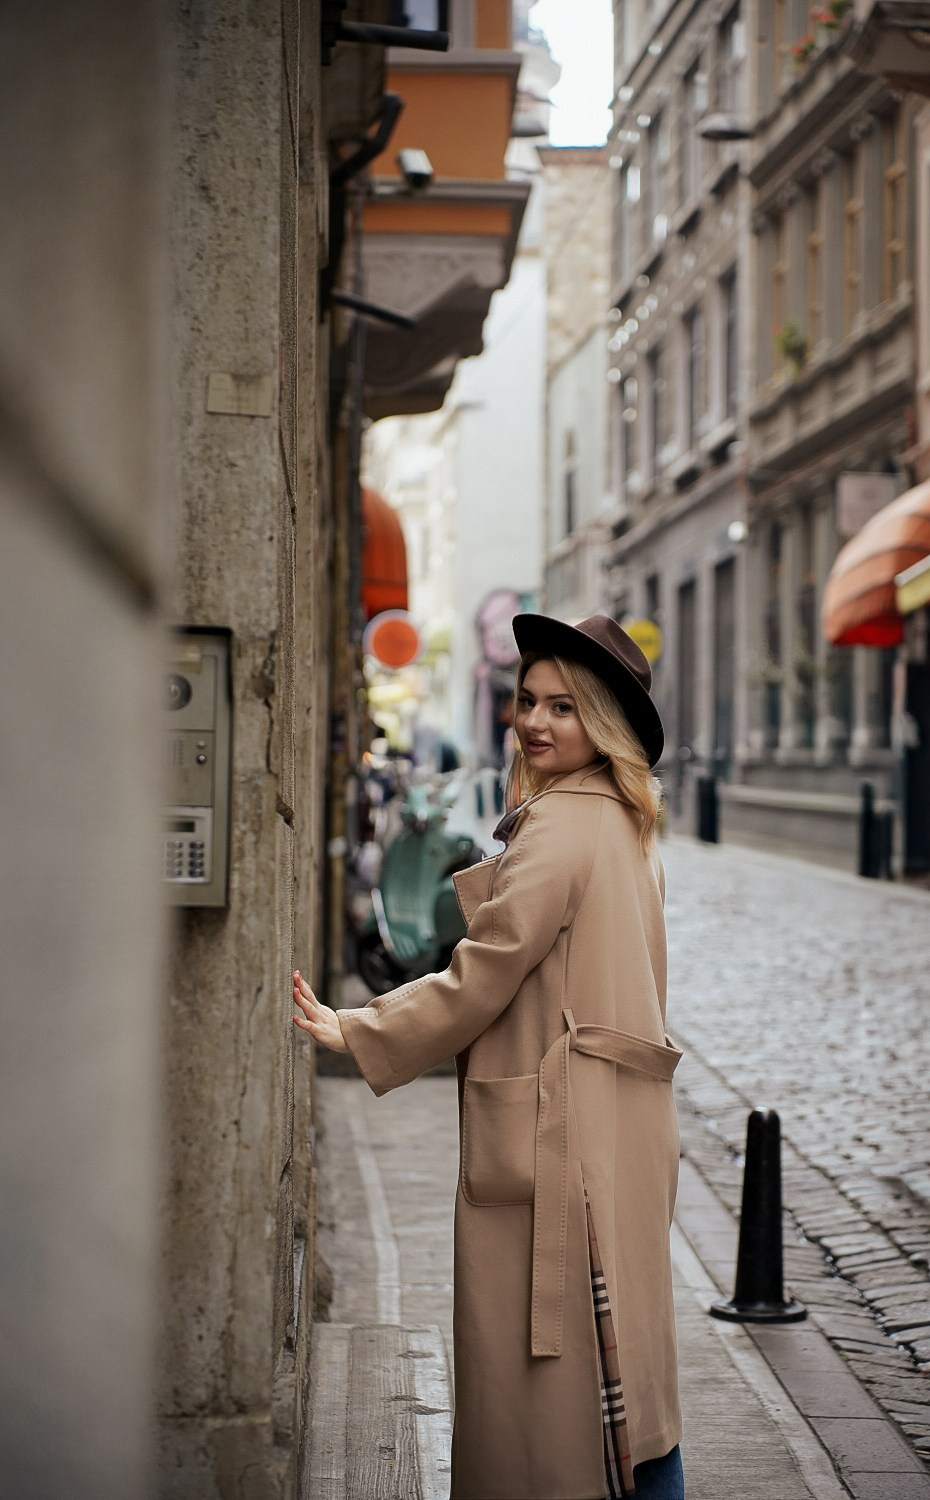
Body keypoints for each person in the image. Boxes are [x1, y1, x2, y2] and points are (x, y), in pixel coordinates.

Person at [293, 613, 684, 1500]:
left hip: (563, 1139)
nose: (537, 722)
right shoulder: (625, 821)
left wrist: (360, 1027)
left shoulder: (562, 824)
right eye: (528, 701)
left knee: (556, 1413)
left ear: (605, 727)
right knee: (630, 1396)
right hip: (620, 1128)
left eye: (566, 708)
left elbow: (482, 976)